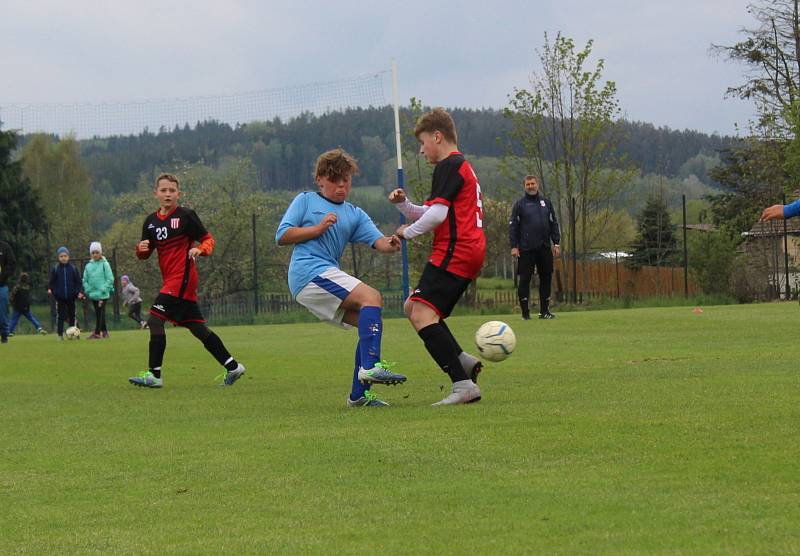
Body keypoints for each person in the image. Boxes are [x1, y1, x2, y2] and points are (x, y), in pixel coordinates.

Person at [276, 148, 406, 407]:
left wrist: (392, 243)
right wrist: (318, 228)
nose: (341, 186)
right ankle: (371, 366)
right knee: (373, 297)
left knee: (369, 324)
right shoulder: (305, 201)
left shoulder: (354, 213)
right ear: (320, 179)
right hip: (308, 272)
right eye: (335, 180)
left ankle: (359, 396)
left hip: (322, 276)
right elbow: (282, 235)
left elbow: (378, 241)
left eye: (345, 180)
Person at [389, 107, 486, 406]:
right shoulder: (459, 167)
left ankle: (463, 384)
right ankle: (462, 361)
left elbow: (437, 216)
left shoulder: (448, 166)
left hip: (456, 250)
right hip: (466, 249)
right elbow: (432, 212)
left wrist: (406, 233)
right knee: (413, 306)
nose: (421, 151)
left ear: (438, 136)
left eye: (423, 143)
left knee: (421, 314)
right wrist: (405, 206)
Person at [129, 173, 245, 388]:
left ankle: (154, 375)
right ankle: (233, 367)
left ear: (178, 194)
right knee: (198, 328)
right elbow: (144, 253)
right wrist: (140, 249)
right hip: (172, 281)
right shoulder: (150, 222)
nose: (167, 194)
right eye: (163, 190)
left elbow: (208, 239)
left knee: (154, 320)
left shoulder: (186, 216)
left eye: (172, 191)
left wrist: (200, 249)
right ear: (156, 193)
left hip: (182, 278)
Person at [508, 174, 561, 320]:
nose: (530, 186)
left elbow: (553, 223)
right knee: (525, 279)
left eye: (533, 183)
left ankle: (544, 312)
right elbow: (513, 226)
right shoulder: (520, 205)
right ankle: (525, 313)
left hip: (544, 247)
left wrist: (556, 243)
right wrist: (514, 246)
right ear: (524, 186)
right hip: (526, 249)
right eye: (528, 184)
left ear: (538, 185)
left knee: (546, 279)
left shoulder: (546, 203)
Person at [48, 247, 83, 340]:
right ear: (58, 257)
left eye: (65, 256)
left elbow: (78, 282)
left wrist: (76, 292)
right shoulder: (55, 269)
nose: (63, 258)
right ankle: (60, 334)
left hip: (71, 297)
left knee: (72, 316)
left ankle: (73, 334)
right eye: (61, 256)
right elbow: (51, 283)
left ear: (68, 257)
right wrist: (56, 293)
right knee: (61, 316)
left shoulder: (73, 268)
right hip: (60, 298)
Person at [82, 241, 115, 339]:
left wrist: (104, 289)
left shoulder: (105, 264)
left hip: (102, 294)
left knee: (100, 312)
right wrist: (87, 289)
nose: (95, 254)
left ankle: (97, 332)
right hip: (93, 294)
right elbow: (85, 279)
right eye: (93, 253)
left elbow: (110, 279)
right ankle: (105, 332)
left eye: (97, 252)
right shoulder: (88, 266)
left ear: (101, 253)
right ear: (90, 254)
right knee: (98, 313)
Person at [0, 239, 16, 343]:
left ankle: (4, 335)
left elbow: (12, 263)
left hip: (2, 285)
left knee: (3, 312)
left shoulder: (5, 247)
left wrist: (3, 276)